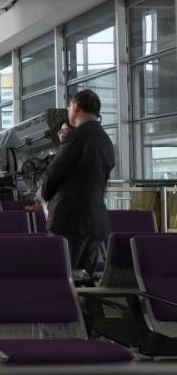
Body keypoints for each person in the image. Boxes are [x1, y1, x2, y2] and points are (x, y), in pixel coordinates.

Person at [41, 90, 114, 272]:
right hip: (96, 221)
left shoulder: (77, 136)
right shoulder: (105, 140)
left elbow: (54, 172)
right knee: (85, 281)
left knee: (61, 276)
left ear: (76, 107)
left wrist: (46, 195)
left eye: (69, 107)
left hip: (70, 220)